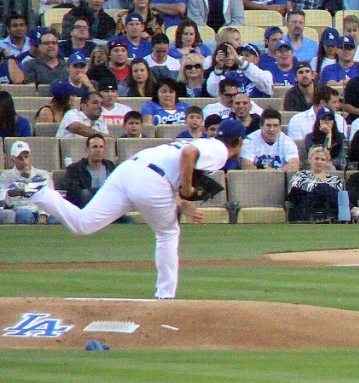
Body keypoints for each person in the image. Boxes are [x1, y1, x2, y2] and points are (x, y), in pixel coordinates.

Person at [10, 119, 245, 299]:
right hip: (151, 181)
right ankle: (165, 296)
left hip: (130, 170)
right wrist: (186, 190)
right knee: (168, 234)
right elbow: (188, 155)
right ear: (238, 141)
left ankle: (41, 193)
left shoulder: (202, 142)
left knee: (84, 223)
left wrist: (181, 201)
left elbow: (176, 167)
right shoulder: (220, 150)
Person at [286, 146, 347, 222]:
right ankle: (355, 211)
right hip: (304, 209)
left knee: (342, 196)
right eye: (316, 158)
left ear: (327, 162)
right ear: (310, 160)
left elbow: (340, 199)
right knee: (322, 187)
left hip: (329, 211)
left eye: (323, 159)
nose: (319, 162)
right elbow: (295, 191)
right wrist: (323, 188)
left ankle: (351, 215)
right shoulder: (300, 175)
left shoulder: (335, 180)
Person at [0, 141, 55, 225]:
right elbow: (6, 202)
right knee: (25, 215)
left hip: (42, 209)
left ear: (31, 157)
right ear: (13, 160)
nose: (24, 161)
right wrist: (22, 180)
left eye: (26, 157)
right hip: (22, 208)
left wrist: (43, 214)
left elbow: (50, 198)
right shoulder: (6, 176)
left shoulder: (42, 174)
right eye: (20, 158)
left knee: (57, 217)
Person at [63, 134, 117, 210]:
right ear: (87, 150)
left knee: (128, 220)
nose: (98, 150)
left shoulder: (111, 167)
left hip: (108, 209)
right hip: (85, 209)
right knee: (85, 194)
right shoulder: (75, 169)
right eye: (94, 147)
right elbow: (74, 193)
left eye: (101, 147)